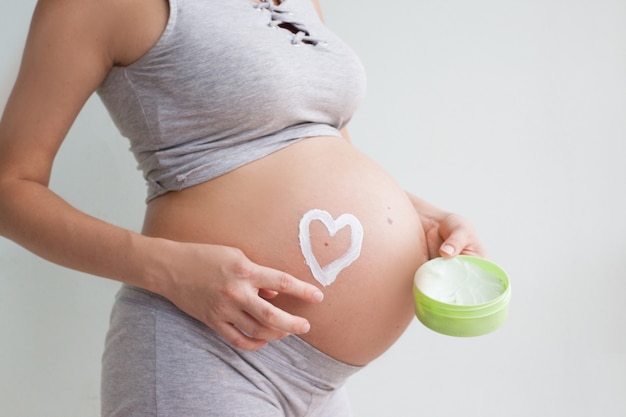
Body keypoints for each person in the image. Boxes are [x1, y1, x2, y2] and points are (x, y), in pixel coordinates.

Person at [0, 0, 486, 416]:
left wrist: (418, 216)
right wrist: (168, 269)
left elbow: (320, 144)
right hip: (204, 351)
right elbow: (9, 187)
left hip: (324, 383)